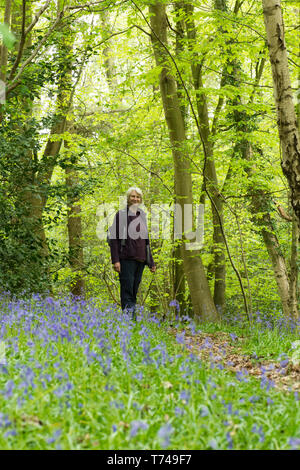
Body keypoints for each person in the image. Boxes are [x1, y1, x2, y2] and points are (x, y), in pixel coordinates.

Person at [109, 187, 156, 318]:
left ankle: (131, 320)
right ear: (128, 198)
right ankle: (130, 322)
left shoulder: (142, 215)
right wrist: (116, 260)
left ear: (140, 199)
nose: (135, 199)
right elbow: (114, 239)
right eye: (133, 196)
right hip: (126, 259)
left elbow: (146, 241)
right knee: (127, 291)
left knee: (134, 291)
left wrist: (150, 261)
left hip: (140, 259)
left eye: (138, 197)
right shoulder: (121, 215)